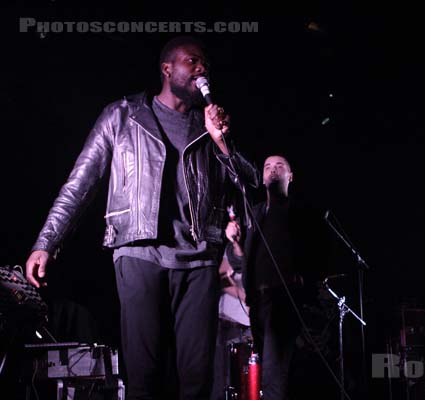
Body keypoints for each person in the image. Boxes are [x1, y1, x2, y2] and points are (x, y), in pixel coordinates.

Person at [25, 36, 259, 399]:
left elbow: (250, 187)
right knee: (144, 375)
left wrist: (221, 141)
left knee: (197, 379)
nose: (202, 69)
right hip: (139, 253)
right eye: (192, 61)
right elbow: (80, 183)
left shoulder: (209, 126)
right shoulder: (122, 115)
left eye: (205, 64)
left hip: (198, 260)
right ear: (167, 69)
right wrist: (46, 243)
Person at [224, 155, 330, 400]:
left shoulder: (302, 214)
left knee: (275, 376)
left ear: (290, 177)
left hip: (285, 302)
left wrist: (303, 278)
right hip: (258, 304)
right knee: (272, 374)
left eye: (279, 166)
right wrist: (236, 242)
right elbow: (240, 260)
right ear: (261, 178)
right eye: (267, 167)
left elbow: (320, 257)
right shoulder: (256, 214)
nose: (272, 170)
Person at [210, 254, 252, 400]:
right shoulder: (234, 246)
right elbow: (221, 278)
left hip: (249, 327)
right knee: (221, 381)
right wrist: (246, 297)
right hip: (228, 323)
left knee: (248, 382)